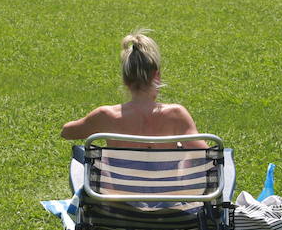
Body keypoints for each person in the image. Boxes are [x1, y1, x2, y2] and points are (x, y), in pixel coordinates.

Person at [61, 31, 204, 148]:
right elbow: (206, 155)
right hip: (166, 183)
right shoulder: (176, 114)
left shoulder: (105, 115)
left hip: (120, 183)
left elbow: (66, 132)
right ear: (157, 76)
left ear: (124, 80)